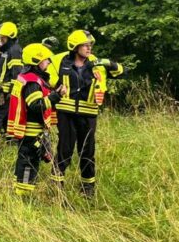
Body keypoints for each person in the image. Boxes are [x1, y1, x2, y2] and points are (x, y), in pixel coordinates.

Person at [51, 30, 125, 198]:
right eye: (85, 45)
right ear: (75, 46)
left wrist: (109, 63)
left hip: (88, 114)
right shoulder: (60, 61)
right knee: (64, 150)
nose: (89, 48)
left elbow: (122, 72)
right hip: (66, 113)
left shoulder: (96, 63)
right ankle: (56, 187)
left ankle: (88, 189)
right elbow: (46, 75)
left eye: (90, 45)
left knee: (87, 152)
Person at [8, 43, 65, 196]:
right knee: (29, 161)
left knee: (26, 160)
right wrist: (56, 96)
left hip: (29, 129)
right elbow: (36, 106)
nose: (48, 63)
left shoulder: (29, 78)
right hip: (31, 130)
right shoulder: (32, 82)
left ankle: (19, 190)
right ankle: (23, 194)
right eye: (45, 60)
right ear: (36, 61)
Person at [0, 22, 22, 150]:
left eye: (3, 37)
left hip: (6, 93)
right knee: (7, 118)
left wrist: (8, 93)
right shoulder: (3, 52)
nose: (0, 40)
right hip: (0, 92)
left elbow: (16, 74)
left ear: (9, 37)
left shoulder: (14, 50)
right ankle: (11, 146)